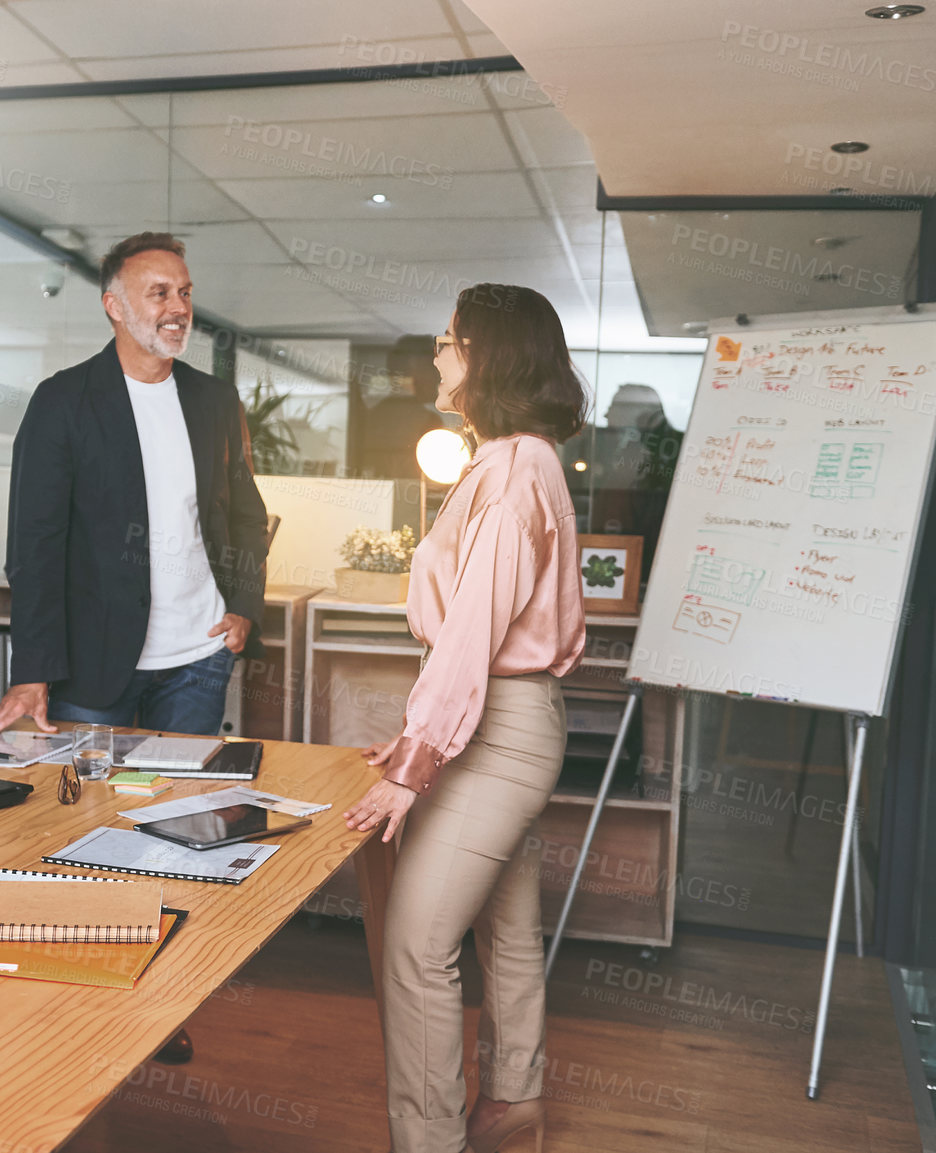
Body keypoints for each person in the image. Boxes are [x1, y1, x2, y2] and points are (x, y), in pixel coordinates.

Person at [343, 284, 588, 1153]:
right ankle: (514, 1102)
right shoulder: (517, 458)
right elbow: (471, 638)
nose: (438, 356)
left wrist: (418, 758)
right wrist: (424, 734)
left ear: (487, 355)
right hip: (504, 721)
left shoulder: (520, 465)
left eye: (450, 341)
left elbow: (473, 628)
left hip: (501, 730)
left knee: (416, 945)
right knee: (507, 924)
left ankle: (431, 1140)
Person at [0, 232, 270, 740]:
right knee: (85, 811)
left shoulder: (215, 400)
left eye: (185, 292)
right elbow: (35, 544)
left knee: (179, 810)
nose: (179, 307)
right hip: (91, 666)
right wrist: (32, 669)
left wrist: (244, 604)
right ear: (114, 305)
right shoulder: (62, 402)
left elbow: (246, 513)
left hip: (198, 660)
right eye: (160, 293)